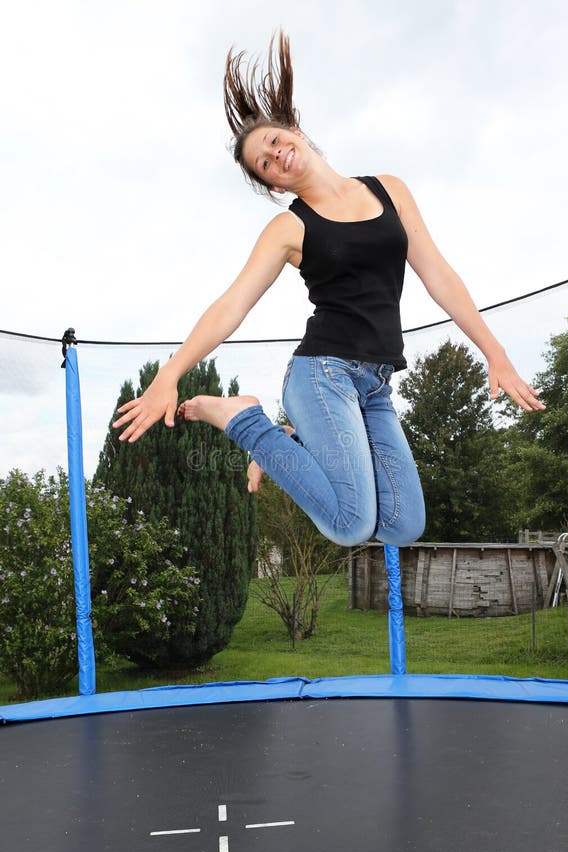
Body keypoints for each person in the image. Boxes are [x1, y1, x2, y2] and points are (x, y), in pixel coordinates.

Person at [113, 31, 545, 548]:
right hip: (322, 375)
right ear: (274, 185)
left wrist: (494, 353)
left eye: (275, 142)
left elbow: (440, 276)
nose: (277, 156)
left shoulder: (390, 190)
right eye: (265, 165)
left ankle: (290, 443)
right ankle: (242, 418)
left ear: (294, 129)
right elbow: (231, 305)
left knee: (403, 526)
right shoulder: (289, 229)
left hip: (375, 386)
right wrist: (170, 374)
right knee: (350, 523)